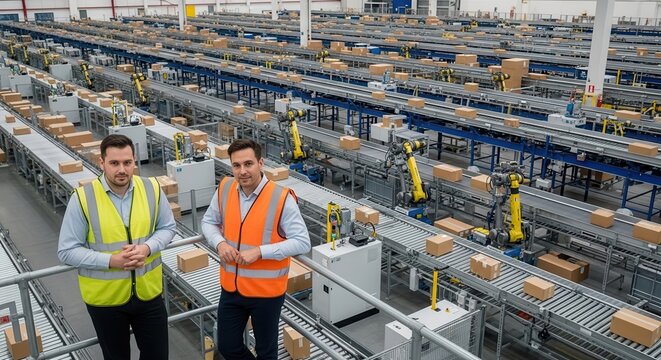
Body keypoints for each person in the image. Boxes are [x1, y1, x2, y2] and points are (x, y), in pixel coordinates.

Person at [58, 134, 176, 360]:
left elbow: (168, 227)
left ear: (134, 161)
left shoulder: (151, 188)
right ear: (101, 163)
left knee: (157, 356)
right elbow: (66, 250)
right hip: (105, 302)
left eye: (127, 162)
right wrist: (112, 261)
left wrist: (147, 248)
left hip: (149, 294)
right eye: (114, 163)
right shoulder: (83, 198)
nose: (122, 169)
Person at [202, 139, 311, 359]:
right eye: (236, 165)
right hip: (231, 288)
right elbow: (208, 222)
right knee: (227, 346)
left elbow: (302, 241)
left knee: (266, 352)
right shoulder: (225, 188)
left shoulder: (280, 198)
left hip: (266, 293)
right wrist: (220, 243)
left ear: (260, 163)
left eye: (248, 164)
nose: (242, 171)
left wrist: (260, 251)